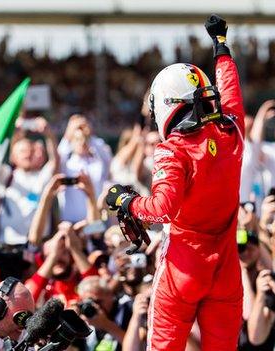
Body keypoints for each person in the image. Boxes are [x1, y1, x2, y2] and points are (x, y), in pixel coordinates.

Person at [105, 15, 245, 350]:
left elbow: (163, 209)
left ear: (167, 104)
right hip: (225, 268)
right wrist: (221, 47)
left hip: (183, 268)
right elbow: (231, 94)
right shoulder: (232, 132)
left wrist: (125, 202)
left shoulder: (173, 150)